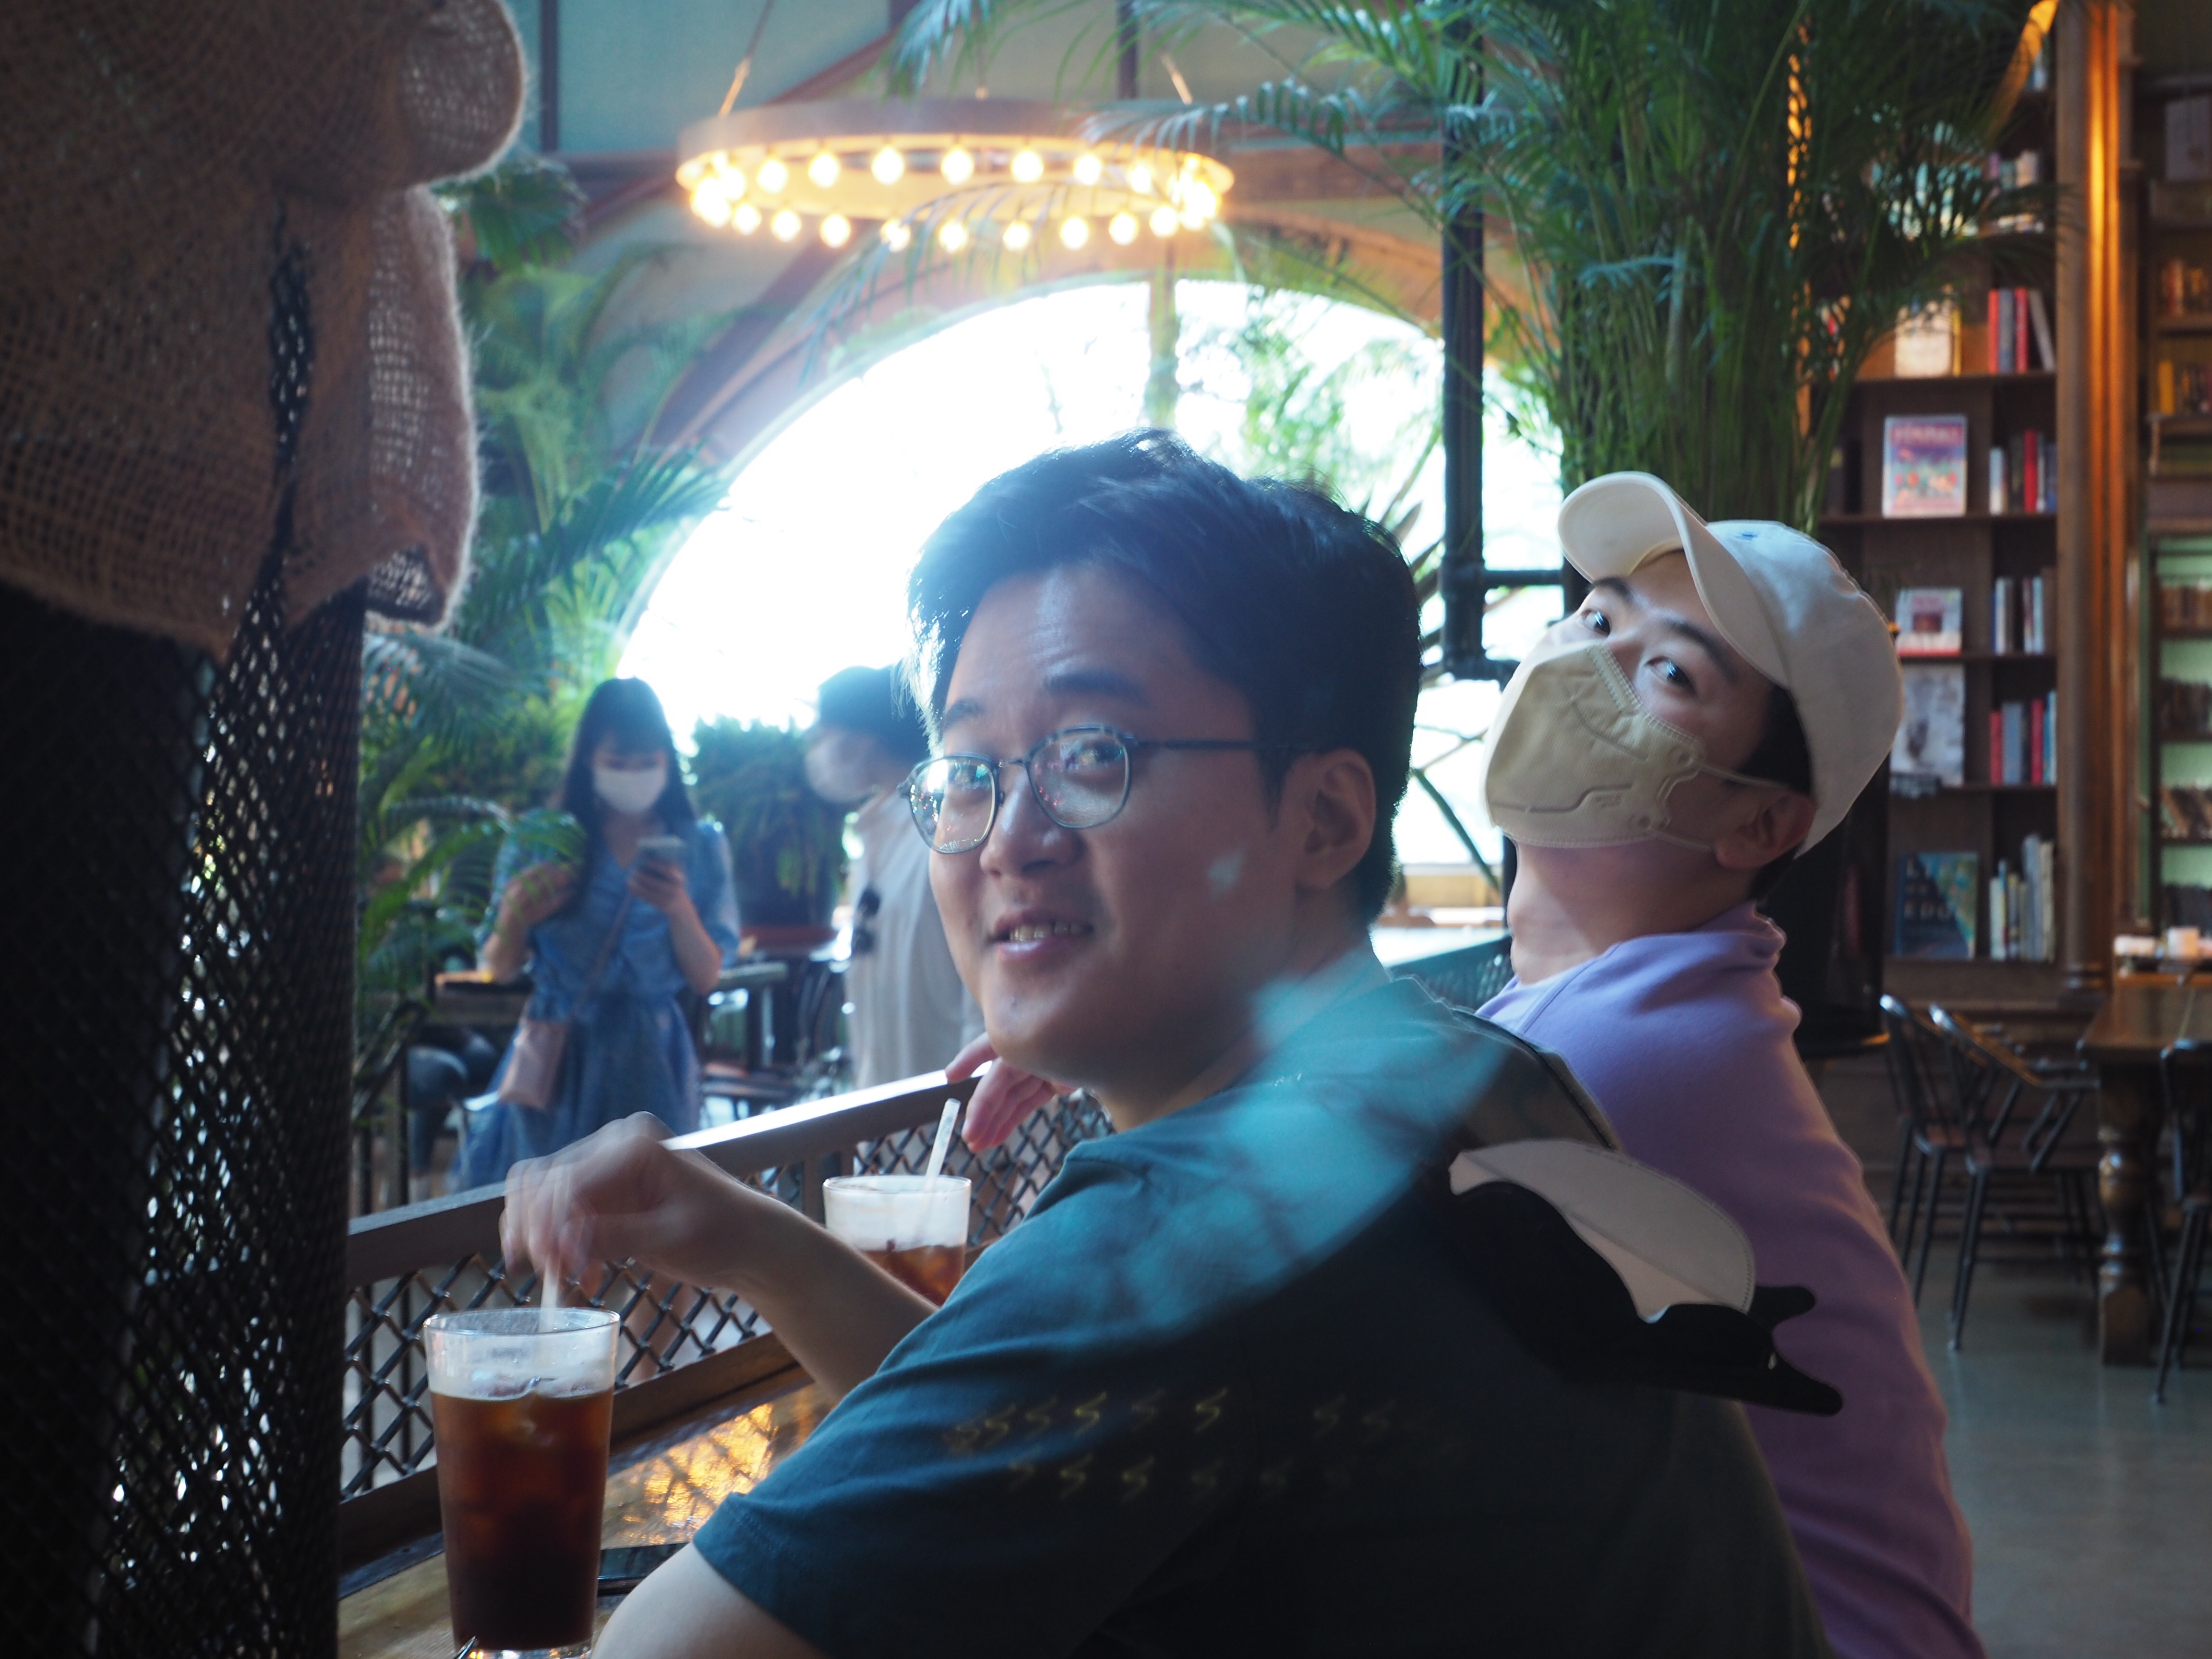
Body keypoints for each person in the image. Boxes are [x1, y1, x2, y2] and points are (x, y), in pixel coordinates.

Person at [500, 435, 1833, 1659]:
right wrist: (752, 1241)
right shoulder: (1478, 1078)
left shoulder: (1201, 1227)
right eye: (969, 771)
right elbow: (1049, 1426)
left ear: (1323, 820)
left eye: (1091, 755)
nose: (1009, 838)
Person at [1473, 472, 1983, 1659]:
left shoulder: (1630, 1053)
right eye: (1597, 615)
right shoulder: (1664, 1002)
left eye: (1670, 670)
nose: (1588, 659)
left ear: (1760, 825)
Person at [462, 678, 740, 1188]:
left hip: (652, 1064)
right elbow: (497, 966)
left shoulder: (699, 846)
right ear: (589, 758)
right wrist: (515, 918)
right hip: (558, 1062)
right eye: (618, 761)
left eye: (646, 762)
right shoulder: (543, 839)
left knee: (651, 1212)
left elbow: (706, 977)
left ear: (667, 761)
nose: (633, 775)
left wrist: (678, 908)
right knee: (553, 1213)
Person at [804, 664, 982, 1088]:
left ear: (860, 738)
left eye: (823, 735)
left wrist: (970, 1100)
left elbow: (979, 1000)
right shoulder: (873, 836)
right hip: (883, 1100)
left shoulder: (944, 833)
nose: (815, 751)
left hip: (949, 1106)